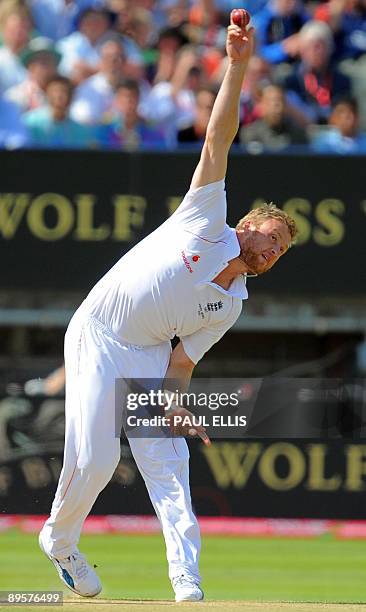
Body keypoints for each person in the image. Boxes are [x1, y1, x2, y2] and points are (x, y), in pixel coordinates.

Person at [39, 14, 297, 603]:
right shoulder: (205, 216)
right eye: (271, 239)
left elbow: (182, 363)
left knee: (168, 462)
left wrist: (176, 405)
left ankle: (187, 579)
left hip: (151, 356)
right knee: (98, 458)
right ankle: (60, 541)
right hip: (101, 331)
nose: (272, 252)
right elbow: (218, 139)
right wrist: (236, 66)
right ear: (247, 225)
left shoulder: (231, 305)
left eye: (280, 252)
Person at [23, 75, 95, 148]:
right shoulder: (30, 122)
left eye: (64, 91)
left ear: (72, 96)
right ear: (47, 93)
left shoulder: (80, 131)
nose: (59, 96)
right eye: (55, 91)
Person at [240, 83, 308, 151]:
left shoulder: (296, 134)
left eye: (281, 101)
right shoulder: (250, 133)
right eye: (273, 102)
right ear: (262, 104)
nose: (278, 108)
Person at [5, 37, 61, 112]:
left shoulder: (63, 95)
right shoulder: (17, 96)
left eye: (51, 61)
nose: (48, 67)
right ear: (30, 66)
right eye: (42, 62)